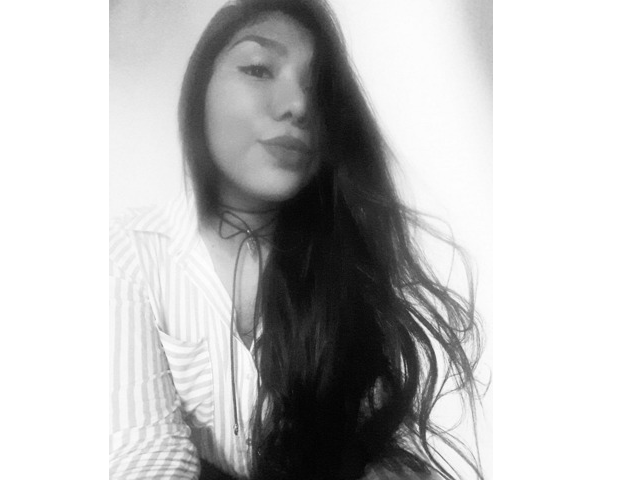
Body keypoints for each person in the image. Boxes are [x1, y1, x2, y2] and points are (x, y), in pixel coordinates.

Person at [109, 0, 485, 479]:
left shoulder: (345, 263)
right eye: (259, 69)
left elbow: (371, 441)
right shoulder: (131, 252)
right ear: (201, 89)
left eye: (318, 88)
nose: (299, 105)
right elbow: (143, 459)